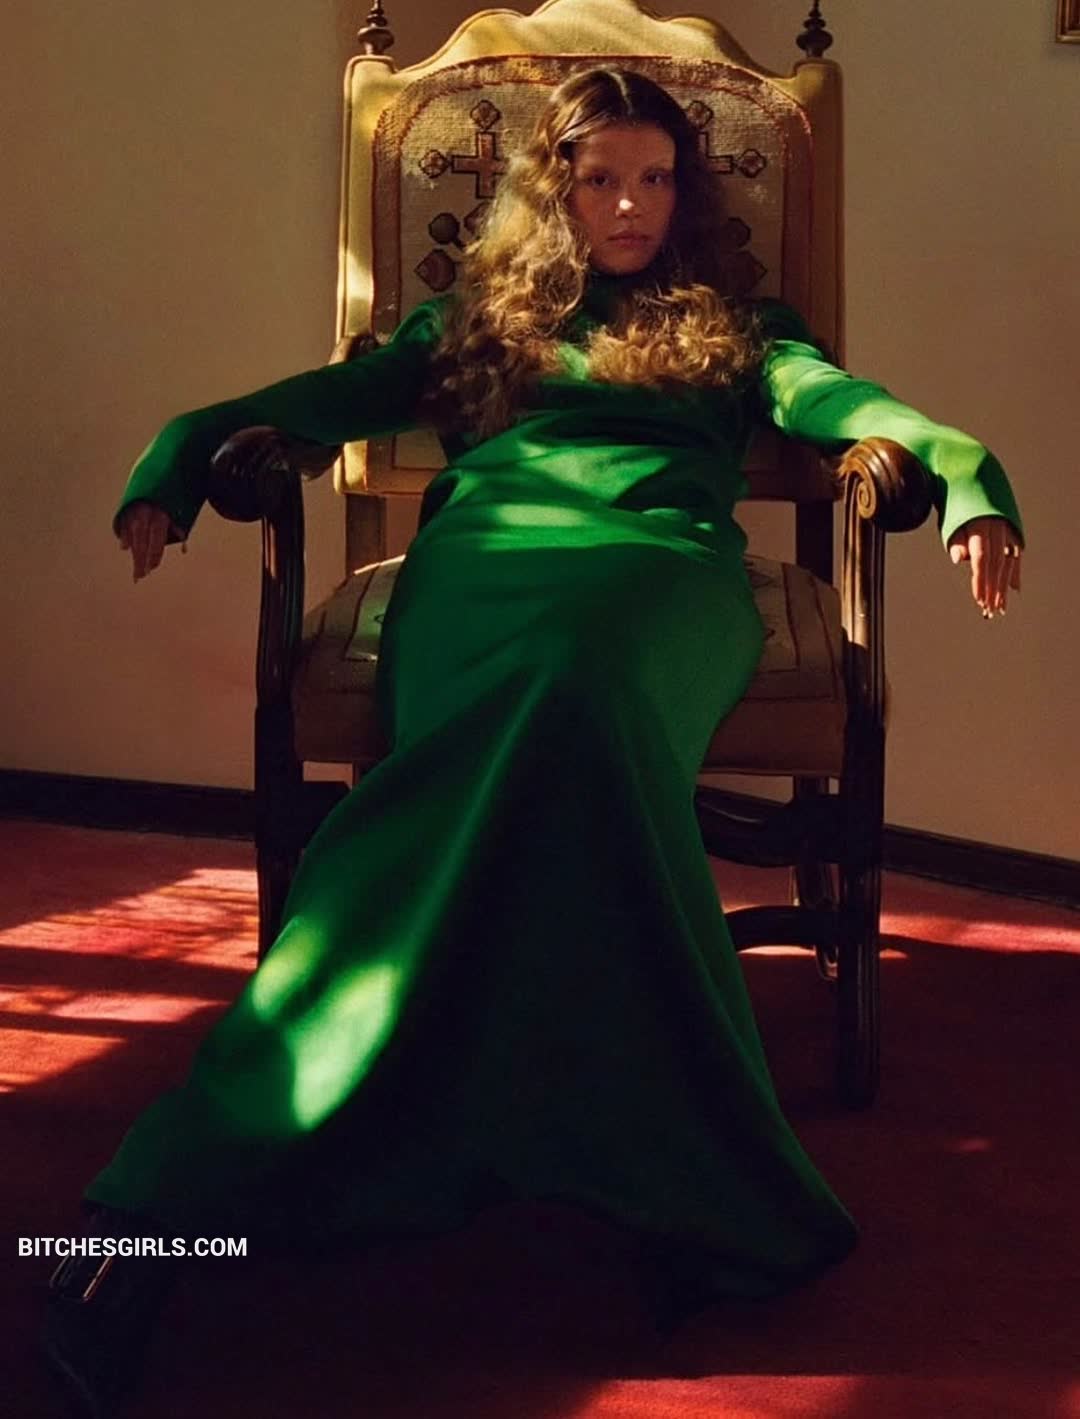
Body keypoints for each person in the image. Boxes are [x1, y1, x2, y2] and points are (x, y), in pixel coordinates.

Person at [44, 67, 1024, 1415]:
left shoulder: (742, 328)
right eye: (601, 178)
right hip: (486, 566)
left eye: (656, 179)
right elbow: (316, 401)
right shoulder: (475, 321)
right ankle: (173, 1212)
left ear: (686, 193)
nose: (629, 206)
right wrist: (176, 460)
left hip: (659, 572)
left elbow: (853, 410)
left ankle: (197, 1196)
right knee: (545, 710)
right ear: (552, 189)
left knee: (577, 691)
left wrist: (967, 481)